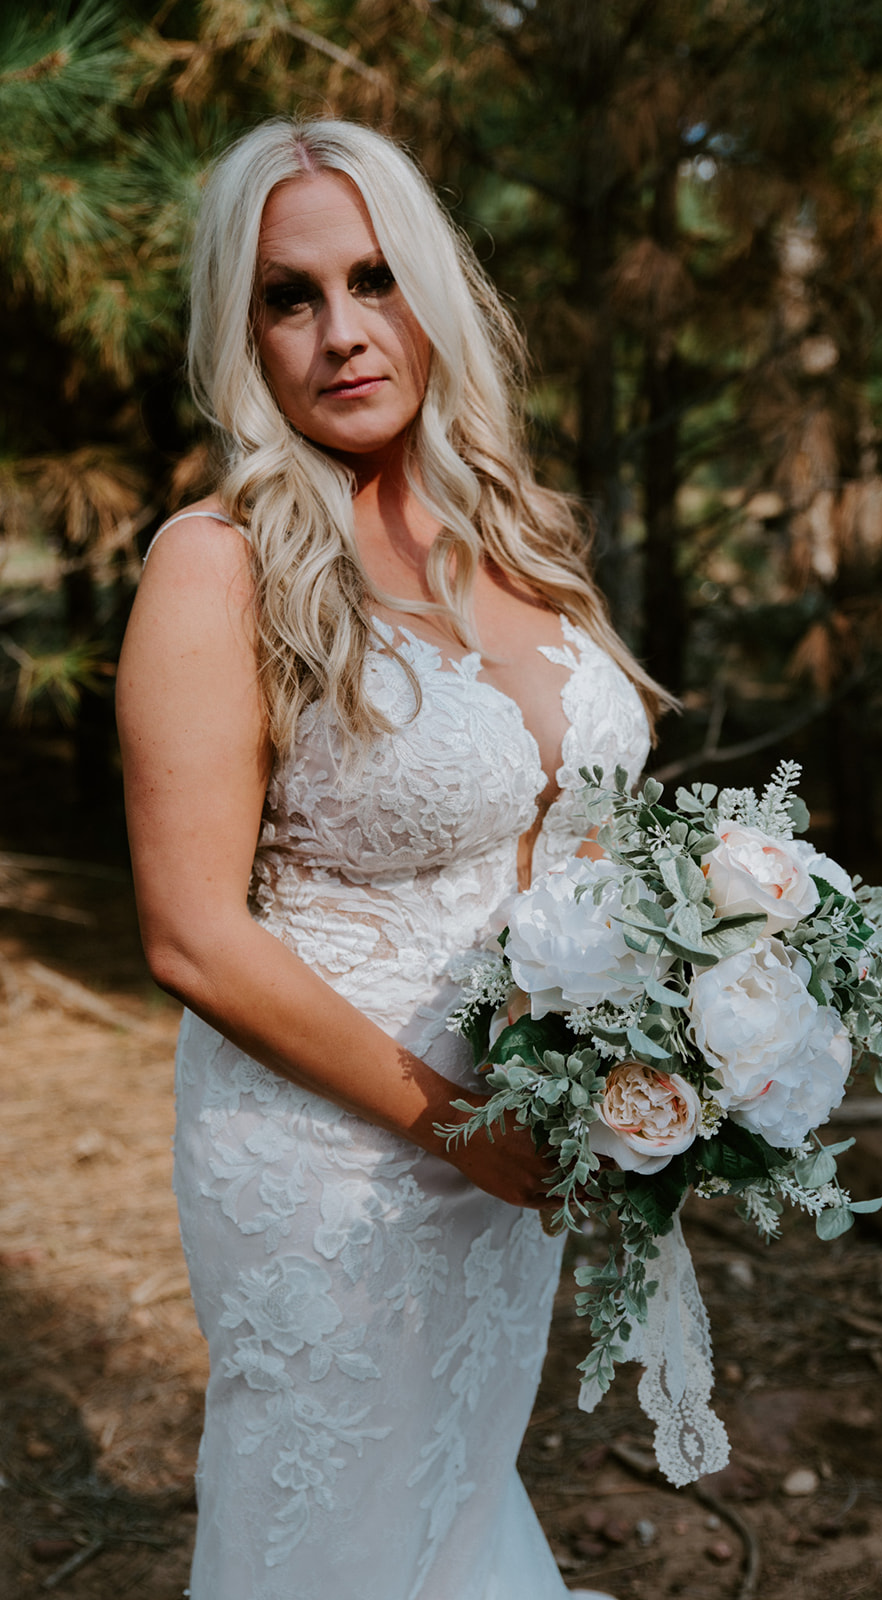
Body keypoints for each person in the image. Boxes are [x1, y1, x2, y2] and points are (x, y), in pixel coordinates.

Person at [116, 117, 670, 1600]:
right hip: (333, 1154)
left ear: (433, 289)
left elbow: (587, 839)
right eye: (288, 299)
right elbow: (189, 936)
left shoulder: (518, 533)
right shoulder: (214, 562)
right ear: (241, 334)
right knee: (338, 1541)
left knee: (451, 1501)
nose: (342, 335)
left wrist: (677, 1027)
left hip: (517, 1140)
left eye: (372, 279)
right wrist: (459, 1130)